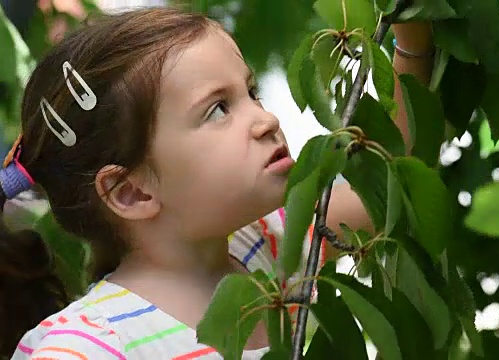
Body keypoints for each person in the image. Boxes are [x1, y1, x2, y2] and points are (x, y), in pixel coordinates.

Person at [1, 7, 435, 359]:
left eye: (251, 93)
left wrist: (412, 41)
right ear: (131, 192)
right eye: (217, 110)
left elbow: (384, 188)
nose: (266, 120)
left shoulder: (265, 247)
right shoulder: (87, 347)